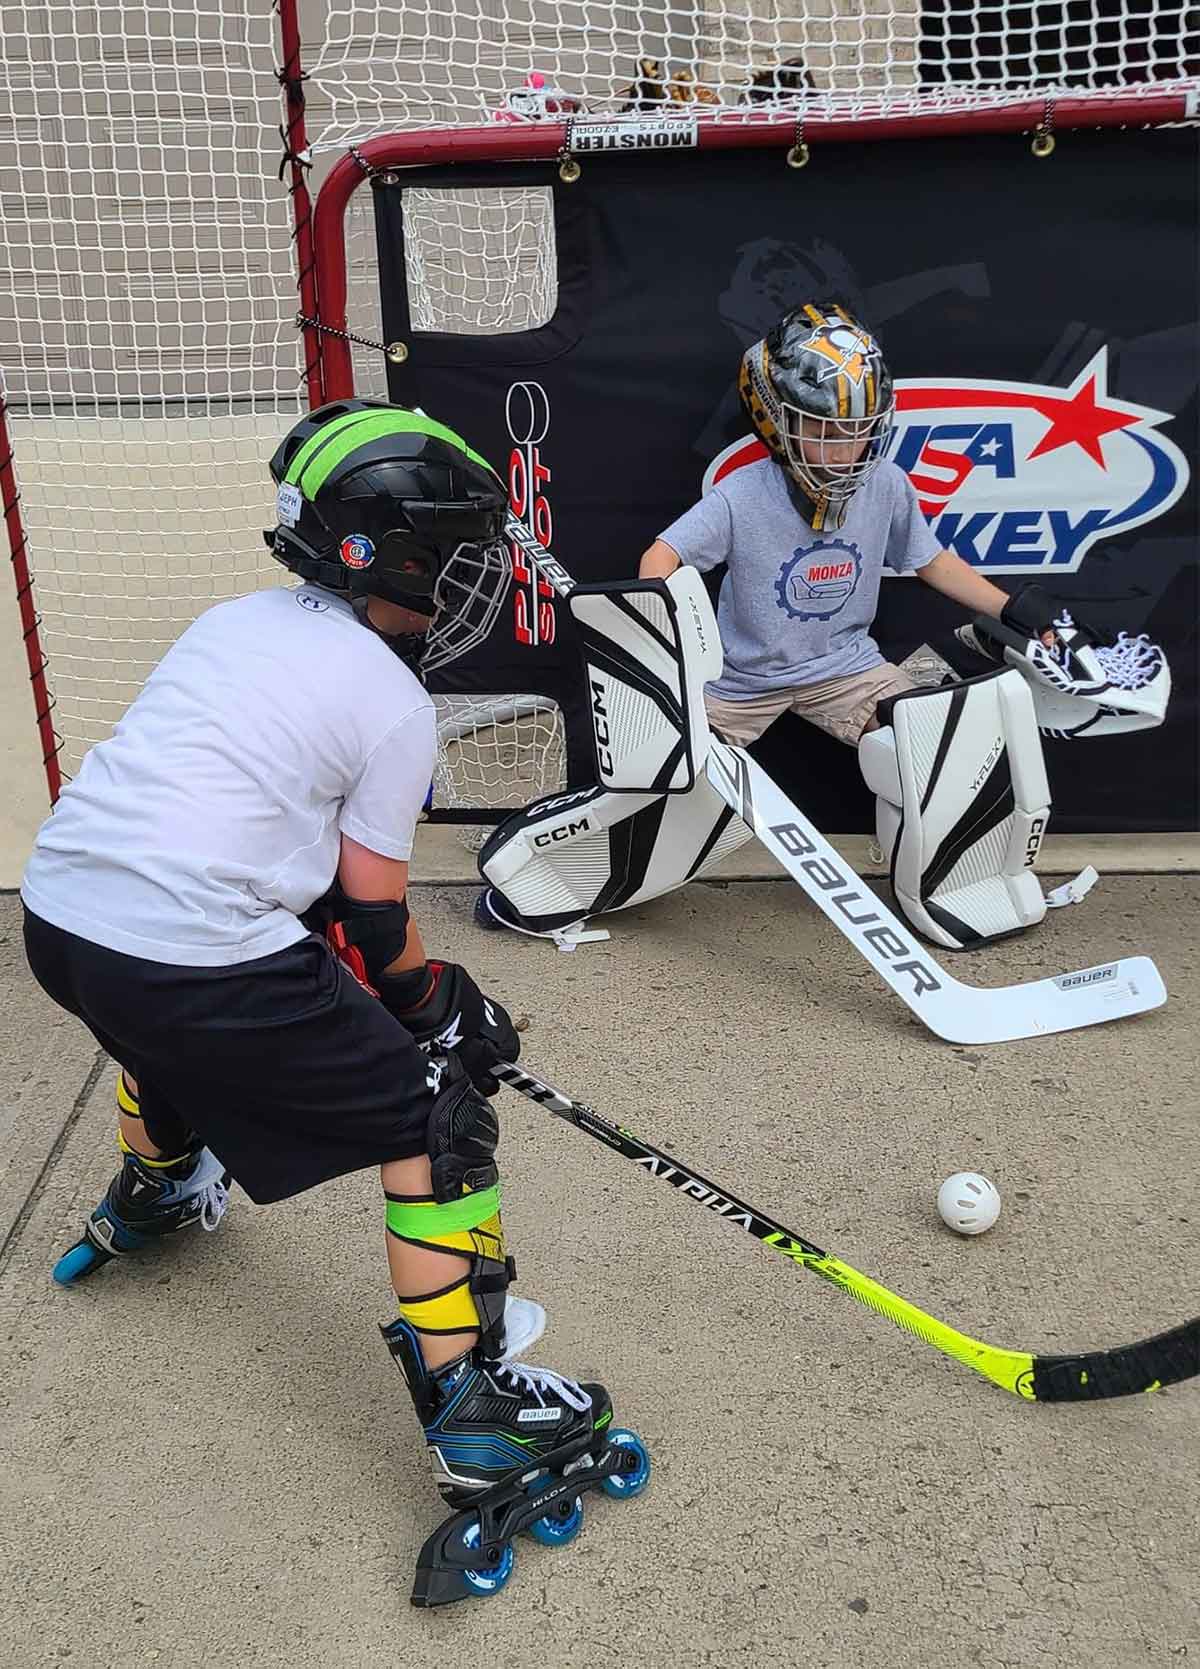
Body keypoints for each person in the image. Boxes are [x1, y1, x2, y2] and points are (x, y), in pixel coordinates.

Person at [21, 398, 633, 1539]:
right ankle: (475, 1412)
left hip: (63, 924)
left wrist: (398, 990)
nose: (463, 584)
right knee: (434, 1114)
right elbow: (369, 906)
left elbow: (283, 880)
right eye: (453, 558)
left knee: (172, 1022)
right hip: (187, 956)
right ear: (394, 556)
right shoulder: (393, 700)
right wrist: (441, 1009)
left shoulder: (232, 620)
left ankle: (152, 1187)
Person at [639, 300, 1058, 750]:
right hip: (742, 679)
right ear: (778, 421)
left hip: (845, 668)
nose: (846, 451)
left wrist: (1010, 608)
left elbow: (931, 561)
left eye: (859, 430)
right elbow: (662, 555)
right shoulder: (742, 495)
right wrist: (667, 643)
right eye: (826, 433)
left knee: (934, 746)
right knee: (673, 760)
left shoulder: (885, 484)